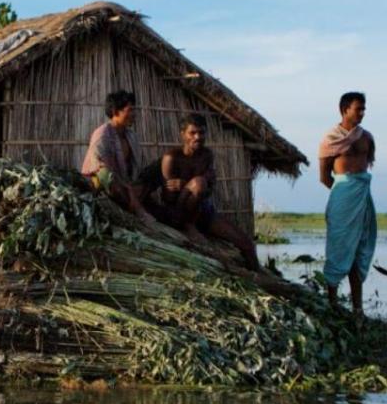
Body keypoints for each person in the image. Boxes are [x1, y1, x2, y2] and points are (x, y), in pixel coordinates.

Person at [153, 113, 260, 269]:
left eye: (201, 133)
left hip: (202, 213)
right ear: (183, 135)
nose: (197, 137)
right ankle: (188, 225)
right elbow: (169, 197)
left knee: (246, 244)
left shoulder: (206, 155)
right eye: (192, 133)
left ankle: (259, 277)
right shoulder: (171, 158)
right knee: (198, 183)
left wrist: (192, 184)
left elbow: (207, 191)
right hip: (178, 213)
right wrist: (191, 185)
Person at [318, 91, 376, 315]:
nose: (362, 113)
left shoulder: (366, 138)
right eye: (358, 109)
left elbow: (367, 164)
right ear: (344, 110)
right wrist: (344, 190)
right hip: (343, 195)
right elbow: (324, 177)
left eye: (363, 109)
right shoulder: (330, 139)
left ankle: (357, 307)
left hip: (362, 194)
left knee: (360, 248)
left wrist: (356, 187)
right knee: (338, 246)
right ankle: (332, 303)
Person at [80, 89, 146, 216]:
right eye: (130, 110)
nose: (134, 114)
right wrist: (129, 191)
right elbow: (102, 170)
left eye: (134, 110)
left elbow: (135, 168)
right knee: (106, 175)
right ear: (116, 112)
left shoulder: (131, 136)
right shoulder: (102, 134)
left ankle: (135, 203)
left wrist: (132, 187)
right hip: (106, 186)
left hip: (126, 184)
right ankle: (136, 210)